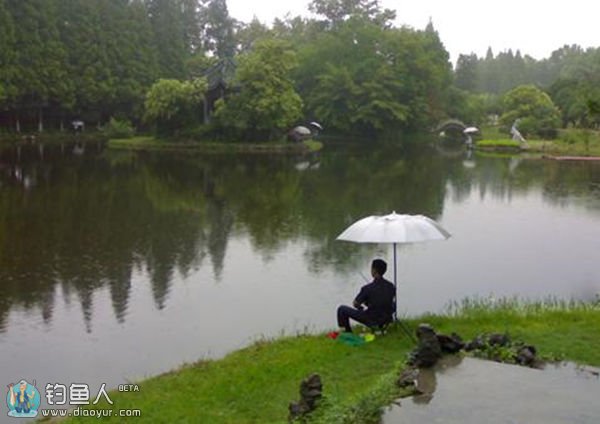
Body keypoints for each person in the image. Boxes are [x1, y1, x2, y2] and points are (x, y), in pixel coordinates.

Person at [337, 259, 395, 333]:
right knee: (392, 304)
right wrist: (369, 302)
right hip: (387, 317)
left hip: (371, 318)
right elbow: (387, 300)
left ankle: (347, 331)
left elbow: (355, 303)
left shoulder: (367, 288)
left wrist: (363, 304)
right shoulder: (391, 286)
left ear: (374, 270)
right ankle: (383, 324)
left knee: (342, 309)